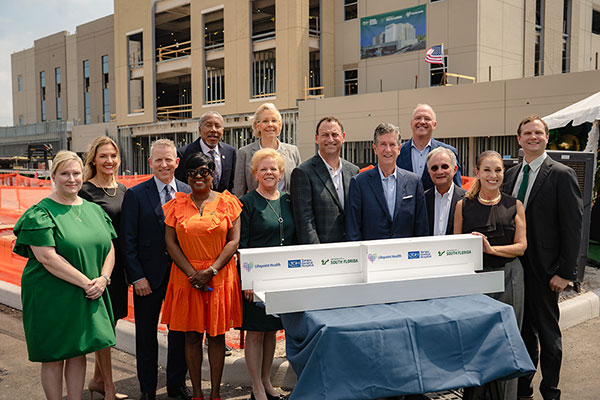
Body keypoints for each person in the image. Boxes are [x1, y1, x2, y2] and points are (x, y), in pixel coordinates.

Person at [13, 150, 116, 400]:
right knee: (54, 355)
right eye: (65, 174)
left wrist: (103, 279)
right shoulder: (41, 212)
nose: (71, 179)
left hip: (89, 290)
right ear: (53, 176)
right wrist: (87, 283)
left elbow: (110, 247)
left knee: (78, 351)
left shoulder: (93, 209)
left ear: (83, 175)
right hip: (51, 293)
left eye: (76, 173)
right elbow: (47, 257)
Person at [502, 115, 583, 400]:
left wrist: (566, 272)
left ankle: (551, 390)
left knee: (548, 336)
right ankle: (524, 388)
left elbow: (573, 227)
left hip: (547, 272)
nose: (533, 137)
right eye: (527, 133)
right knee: (523, 333)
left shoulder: (561, 174)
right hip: (515, 269)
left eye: (538, 132)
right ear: (519, 139)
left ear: (546, 137)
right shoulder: (510, 174)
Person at [162, 152, 243, 400]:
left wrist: (211, 271)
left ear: (213, 174)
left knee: (217, 337)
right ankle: (197, 393)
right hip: (187, 277)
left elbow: (234, 240)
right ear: (186, 175)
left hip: (218, 276)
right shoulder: (176, 204)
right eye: (193, 172)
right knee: (192, 335)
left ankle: (215, 393)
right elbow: (170, 242)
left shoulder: (228, 202)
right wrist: (192, 273)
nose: (198, 176)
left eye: (204, 171)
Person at [120, 139, 191, 400]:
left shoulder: (187, 191)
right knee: (146, 336)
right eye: (158, 160)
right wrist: (137, 276)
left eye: (168, 159)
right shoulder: (136, 194)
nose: (164, 164)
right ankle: (147, 388)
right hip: (147, 279)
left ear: (177, 162)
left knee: (180, 333)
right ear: (150, 163)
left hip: (181, 277)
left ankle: (176, 384)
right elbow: (127, 240)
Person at [454, 150, 527, 400]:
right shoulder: (463, 205)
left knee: (508, 340)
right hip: (478, 279)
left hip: (510, 278)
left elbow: (521, 246)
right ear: (477, 172)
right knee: (476, 339)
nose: (492, 175)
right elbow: (457, 247)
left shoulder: (514, 204)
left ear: (503, 174)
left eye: (497, 170)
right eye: (487, 170)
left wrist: (492, 249)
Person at [240, 149, 294, 400]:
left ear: (281, 173)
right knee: (256, 332)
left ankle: (267, 382)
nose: (269, 172)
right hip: (255, 279)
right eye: (263, 169)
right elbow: (242, 245)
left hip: (280, 278)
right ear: (255, 173)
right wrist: (248, 281)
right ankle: (256, 387)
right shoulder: (247, 203)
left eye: (273, 169)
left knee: (272, 331)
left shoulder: (287, 200)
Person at [79, 136, 129, 400]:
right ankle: (109, 389)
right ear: (94, 161)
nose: (109, 161)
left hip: (119, 268)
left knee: (112, 321)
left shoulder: (121, 190)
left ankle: (98, 379)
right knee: (103, 328)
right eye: (103, 156)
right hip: (97, 269)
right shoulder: (85, 191)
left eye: (113, 156)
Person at [346, 123, 428, 240]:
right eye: (383, 144)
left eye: (392, 144)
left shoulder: (414, 182)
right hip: (371, 255)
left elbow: (421, 227)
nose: (388, 149)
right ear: (375, 149)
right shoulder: (359, 183)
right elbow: (353, 228)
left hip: (405, 254)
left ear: (399, 149)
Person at [290, 116, 359, 244]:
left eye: (335, 134)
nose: (330, 139)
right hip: (322, 253)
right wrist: (317, 253)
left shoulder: (353, 171)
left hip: (351, 249)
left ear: (343, 137)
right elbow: (305, 222)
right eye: (325, 135)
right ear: (317, 139)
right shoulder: (303, 173)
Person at [233, 103, 301, 197]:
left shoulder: (293, 151)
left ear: (280, 125)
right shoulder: (244, 153)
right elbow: (239, 191)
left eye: (274, 120)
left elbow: (300, 187)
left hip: (287, 209)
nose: (270, 125)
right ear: (258, 126)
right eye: (265, 121)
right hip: (256, 209)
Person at [396, 104, 462, 191]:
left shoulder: (449, 152)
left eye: (427, 119)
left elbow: (457, 190)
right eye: (418, 118)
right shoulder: (397, 152)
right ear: (411, 123)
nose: (422, 122)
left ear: (434, 125)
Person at [175, 111, 236, 193]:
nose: (213, 130)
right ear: (200, 130)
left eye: (217, 126)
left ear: (223, 130)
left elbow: (232, 184)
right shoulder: (184, 153)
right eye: (208, 125)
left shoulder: (230, 152)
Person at [424, 147, 466, 236]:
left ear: (455, 169)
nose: (440, 171)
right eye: (434, 168)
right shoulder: (422, 199)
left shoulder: (468, 199)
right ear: (429, 172)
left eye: (444, 166)